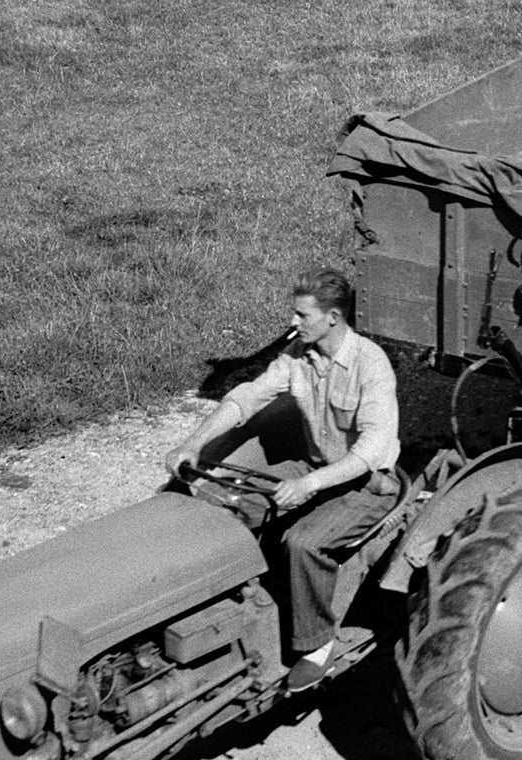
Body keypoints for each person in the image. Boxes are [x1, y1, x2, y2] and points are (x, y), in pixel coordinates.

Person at [164, 266, 400, 693]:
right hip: (313, 467)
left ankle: (318, 647)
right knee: (225, 502)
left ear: (333, 318)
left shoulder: (371, 364)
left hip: (367, 484)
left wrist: (309, 486)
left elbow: (371, 451)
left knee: (303, 543)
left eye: (301, 315)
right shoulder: (297, 355)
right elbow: (248, 396)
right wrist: (194, 443)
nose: (292, 322)